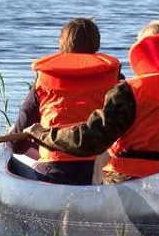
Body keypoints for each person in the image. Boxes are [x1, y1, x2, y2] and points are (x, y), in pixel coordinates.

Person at [26, 20, 159, 187]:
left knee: (104, 164)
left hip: (130, 180)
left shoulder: (129, 91)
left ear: (143, 52)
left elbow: (88, 142)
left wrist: (41, 134)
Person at [9, 17, 121, 185]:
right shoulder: (116, 81)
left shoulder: (44, 81)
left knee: (13, 152)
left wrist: (25, 140)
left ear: (62, 45)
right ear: (96, 45)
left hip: (56, 171)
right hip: (100, 169)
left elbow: (17, 145)